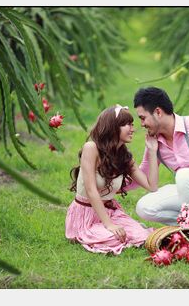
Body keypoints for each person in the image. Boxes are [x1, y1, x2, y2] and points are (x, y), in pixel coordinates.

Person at [123, 87, 189, 225]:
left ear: (158, 112)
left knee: (183, 175)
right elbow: (142, 176)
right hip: (188, 192)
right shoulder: (153, 141)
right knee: (144, 207)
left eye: (143, 118)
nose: (142, 124)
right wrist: (110, 186)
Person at [65, 104, 159, 254]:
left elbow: (151, 186)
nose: (133, 129)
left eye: (132, 124)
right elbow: (91, 190)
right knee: (113, 237)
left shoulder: (124, 156)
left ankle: (118, 229)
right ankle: (93, 232)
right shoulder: (91, 148)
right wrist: (109, 225)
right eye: (127, 124)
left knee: (142, 236)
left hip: (110, 212)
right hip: (86, 214)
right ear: (113, 126)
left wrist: (152, 151)